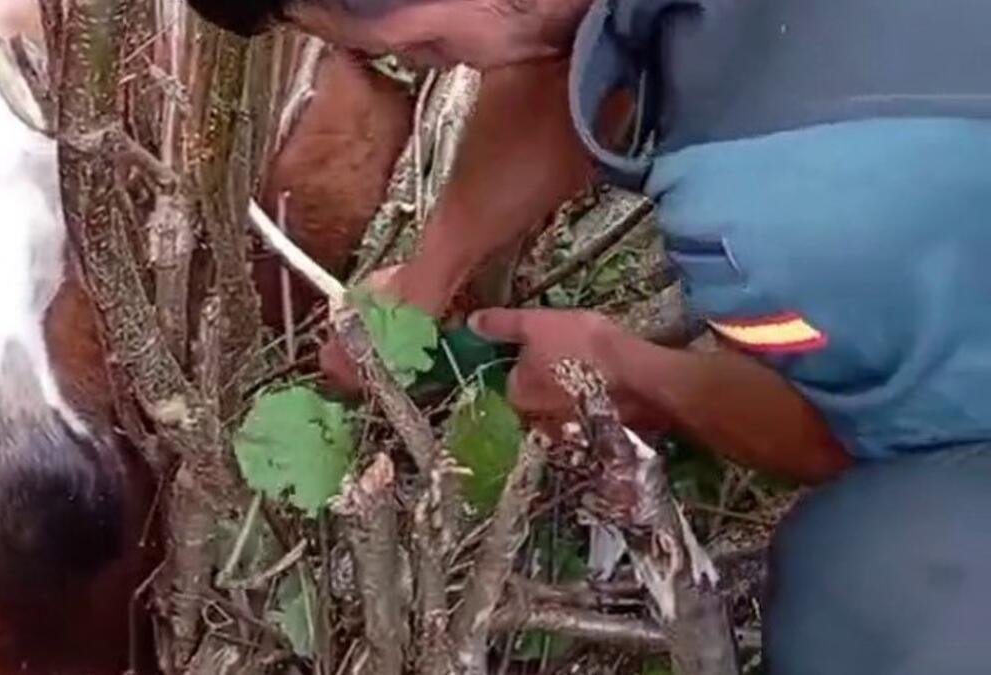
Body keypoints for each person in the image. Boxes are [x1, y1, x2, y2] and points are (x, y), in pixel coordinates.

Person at [187, 1, 991, 672]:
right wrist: (425, 280)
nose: (445, 65)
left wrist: (638, 375)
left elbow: (839, 441)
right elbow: (563, 47)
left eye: (426, 50)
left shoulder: (772, 217)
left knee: (865, 580)